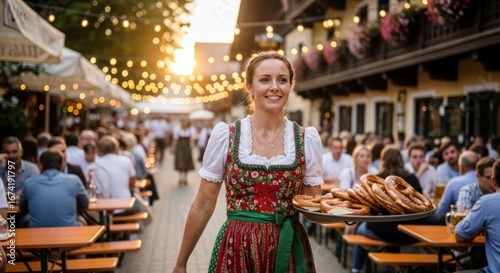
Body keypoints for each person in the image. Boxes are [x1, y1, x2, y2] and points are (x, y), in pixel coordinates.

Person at [172, 51, 323, 273]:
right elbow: (203, 202)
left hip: (288, 248)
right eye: (264, 80)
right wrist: (181, 263)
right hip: (237, 248)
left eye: (282, 80)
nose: (274, 87)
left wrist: (352, 213)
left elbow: (312, 207)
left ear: (290, 86)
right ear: (249, 87)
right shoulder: (227, 135)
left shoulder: (306, 139)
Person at [351, 146, 423, 273]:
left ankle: (356, 268)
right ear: (401, 160)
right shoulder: (412, 179)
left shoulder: (376, 180)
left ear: (383, 161)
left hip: (380, 232)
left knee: (361, 229)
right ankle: (391, 266)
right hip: (410, 234)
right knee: (393, 227)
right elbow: (420, 206)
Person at [18, 150, 89, 227]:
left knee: (24, 220)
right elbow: (85, 203)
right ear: (62, 165)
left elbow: (22, 208)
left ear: (40, 166)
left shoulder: (29, 183)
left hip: (37, 233)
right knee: (81, 220)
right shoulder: (74, 180)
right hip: (68, 232)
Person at [454, 159, 500, 273]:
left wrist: (481, 225)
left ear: (494, 181)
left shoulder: (487, 203)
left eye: (490, 178)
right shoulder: (469, 191)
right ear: (478, 176)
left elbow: (460, 235)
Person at [435, 151, 479, 220]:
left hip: (461, 224)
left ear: (461, 168)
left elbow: (442, 212)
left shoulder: (454, 183)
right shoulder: (486, 182)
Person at [170, 118, 196, 186]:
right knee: (180, 162)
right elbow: (175, 139)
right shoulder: (178, 129)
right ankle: (180, 178)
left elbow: (192, 140)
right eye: (183, 122)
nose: (185, 124)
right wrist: (173, 147)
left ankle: (185, 178)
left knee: (186, 162)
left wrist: (191, 147)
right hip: (180, 147)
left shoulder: (191, 129)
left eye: (186, 122)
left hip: (187, 148)